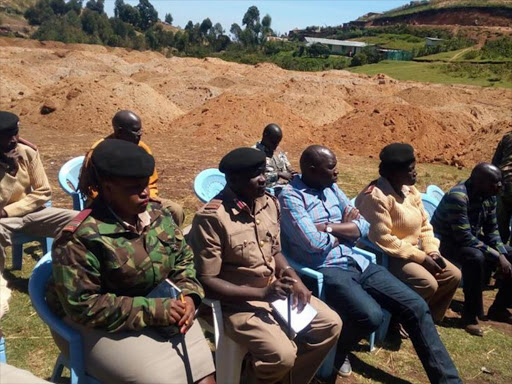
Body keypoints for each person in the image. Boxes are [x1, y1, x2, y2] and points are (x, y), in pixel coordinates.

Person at [279, 145, 461, 383]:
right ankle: (333, 355)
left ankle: (448, 380)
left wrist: (329, 227)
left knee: (416, 306)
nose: (337, 173)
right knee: (370, 315)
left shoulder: (332, 188)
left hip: (359, 261)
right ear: (312, 170)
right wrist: (345, 229)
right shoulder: (291, 196)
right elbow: (314, 243)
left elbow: (364, 227)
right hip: (326, 268)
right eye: (331, 168)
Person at [49, 139, 215, 384]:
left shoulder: (159, 217)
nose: (145, 193)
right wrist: (154, 311)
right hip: (98, 327)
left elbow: (184, 261)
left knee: (205, 377)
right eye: (133, 187)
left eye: (145, 184)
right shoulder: (80, 238)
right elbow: (83, 306)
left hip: (164, 312)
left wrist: (190, 296)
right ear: (107, 188)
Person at [189, 147, 342, 384]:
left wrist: (294, 278)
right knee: (282, 355)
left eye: (263, 172)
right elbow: (207, 282)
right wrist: (262, 293)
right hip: (236, 304)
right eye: (255, 175)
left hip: (274, 291)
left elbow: (276, 251)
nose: (263, 179)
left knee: (330, 324)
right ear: (233, 179)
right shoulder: (212, 218)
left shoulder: (268, 203)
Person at [355, 143, 461, 324]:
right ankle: (402, 319)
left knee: (453, 275)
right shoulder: (376, 197)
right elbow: (384, 239)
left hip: (412, 251)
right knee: (427, 282)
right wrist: (421, 257)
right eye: (410, 170)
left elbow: (425, 225)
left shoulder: (410, 191)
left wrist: (432, 251)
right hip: (387, 254)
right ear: (395, 173)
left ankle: (427, 317)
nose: (415, 173)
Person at [431, 163, 512, 336]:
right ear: (479, 182)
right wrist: (497, 256)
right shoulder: (458, 197)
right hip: (443, 244)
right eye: (495, 182)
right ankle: (469, 316)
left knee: (510, 253)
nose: (500, 186)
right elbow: (464, 238)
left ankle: (499, 307)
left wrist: (503, 254)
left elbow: (492, 230)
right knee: (475, 257)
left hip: (467, 240)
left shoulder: (489, 196)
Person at [0, 111, 76, 271]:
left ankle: (69, 273)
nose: (14, 140)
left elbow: (43, 191)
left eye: (15, 134)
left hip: (30, 213)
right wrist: (10, 173)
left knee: (80, 221)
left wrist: (9, 211)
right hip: (4, 222)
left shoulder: (26, 152)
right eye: (7, 136)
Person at [81, 110, 185, 227]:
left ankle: (172, 241)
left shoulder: (142, 149)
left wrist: (151, 197)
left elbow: (151, 182)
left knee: (175, 210)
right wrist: (124, 202)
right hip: (108, 202)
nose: (139, 135)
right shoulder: (99, 152)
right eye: (135, 132)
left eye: (141, 131)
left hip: (141, 199)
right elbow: (91, 189)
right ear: (120, 131)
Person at [253, 123, 295, 193]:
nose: (276, 145)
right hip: (269, 191)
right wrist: (278, 174)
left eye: (278, 143)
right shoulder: (255, 153)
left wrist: (292, 173)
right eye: (273, 142)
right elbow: (255, 179)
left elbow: (288, 167)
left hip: (287, 188)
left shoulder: (277, 150)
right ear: (265, 136)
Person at [492, 132, 512, 244]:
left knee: (500, 226)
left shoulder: (508, 136)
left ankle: (500, 252)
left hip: (503, 183)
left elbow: (495, 163)